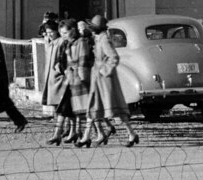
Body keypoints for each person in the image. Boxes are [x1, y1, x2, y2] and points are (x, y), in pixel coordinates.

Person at [83, 15, 139, 147]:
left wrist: (104, 70)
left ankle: (131, 133)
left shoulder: (104, 40)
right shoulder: (98, 39)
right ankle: (86, 135)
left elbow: (114, 57)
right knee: (95, 106)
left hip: (104, 80)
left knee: (113, 108)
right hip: (98, 78)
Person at [46, 19, 77, 144]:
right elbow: (62, 60)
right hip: (69, 79)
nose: (63, 35)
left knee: (70, 109)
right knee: (66, 109)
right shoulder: (66, 43)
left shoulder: (78, 43)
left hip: (75, 80)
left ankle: (67, 133)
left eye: (65, 33)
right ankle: (64, 133)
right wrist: (61, 68)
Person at [66, 18, 94, 145]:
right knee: (83, 108)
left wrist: (82, 76)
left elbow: (83, 60)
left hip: (85, 77)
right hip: (76, 78)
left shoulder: (84, 42)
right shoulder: (72, 43)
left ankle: (86, 135)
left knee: (90, 108)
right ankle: (82, 132)